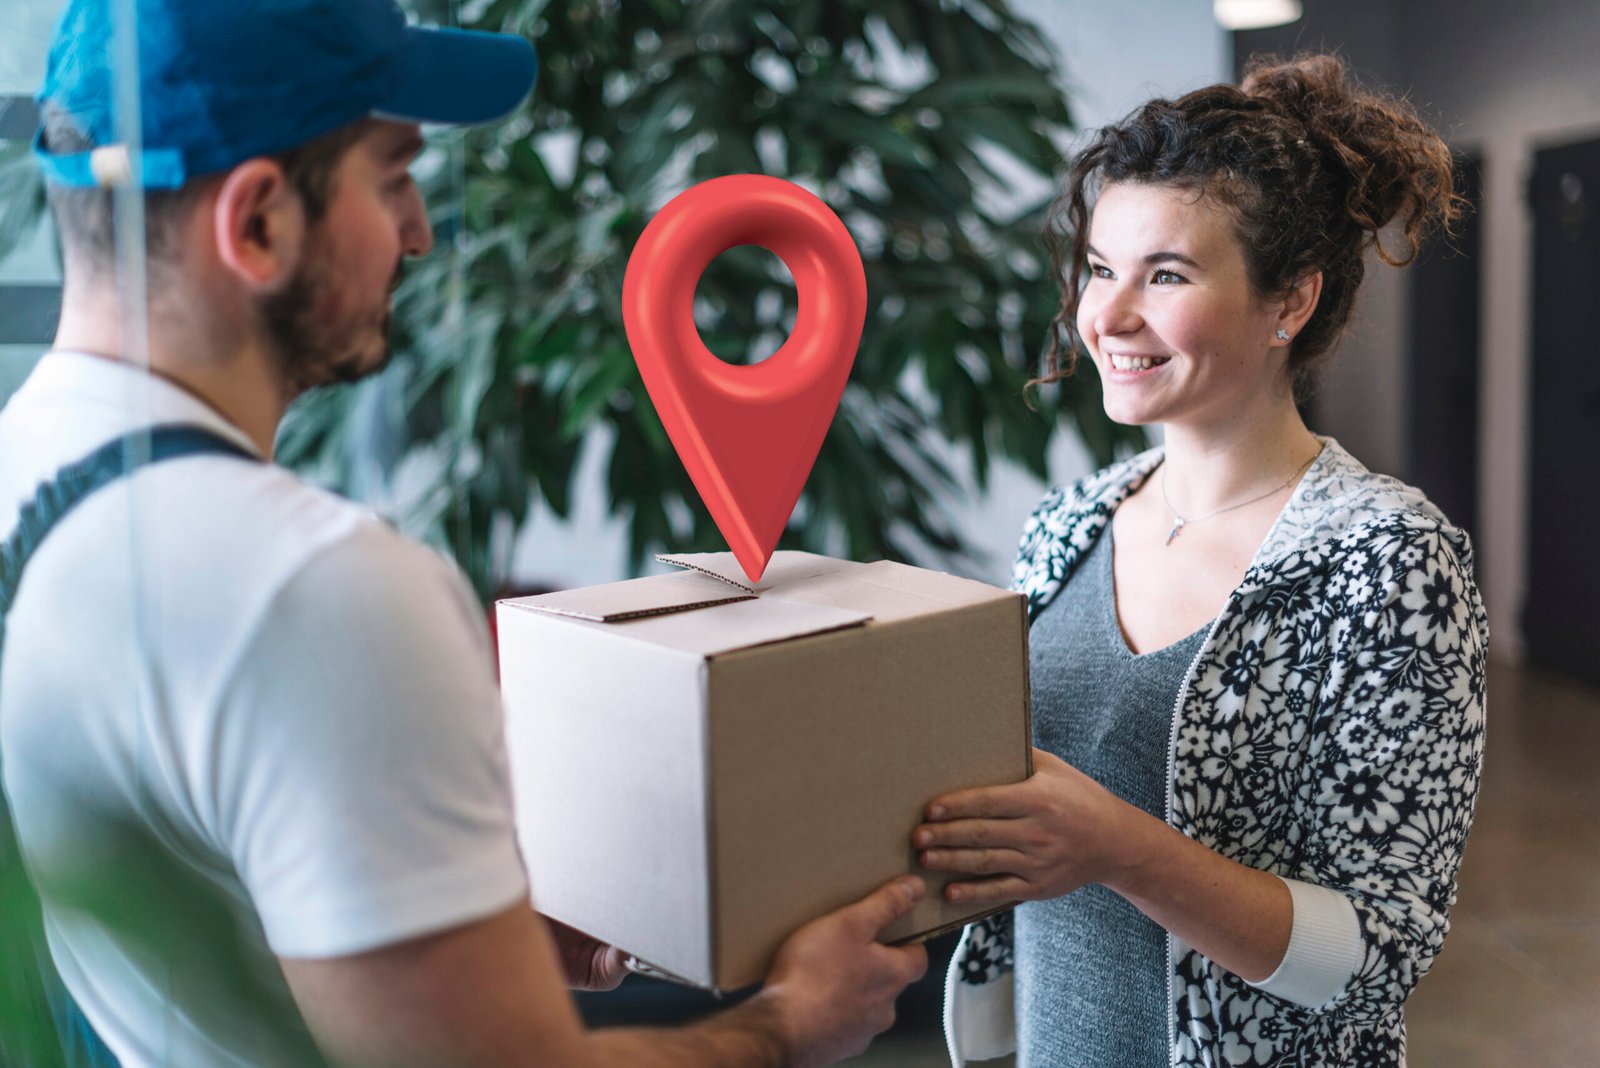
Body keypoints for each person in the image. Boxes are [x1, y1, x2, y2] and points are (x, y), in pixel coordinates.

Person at [0, 1, 927, 1065]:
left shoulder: (31, 476)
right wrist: (789, 1021)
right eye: (392, 177)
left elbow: (191, 899)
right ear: (257, 224)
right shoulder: (308, 584)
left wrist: (432, 926)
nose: (420, 231)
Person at [913, 54, 1488, 1066]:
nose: (1108, 317)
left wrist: (1118, 848)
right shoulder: (1067, 523)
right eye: (1100, 268)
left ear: (1288, 303)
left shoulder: (1390, 563)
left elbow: (1376, 957)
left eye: (1165, 274)